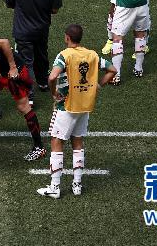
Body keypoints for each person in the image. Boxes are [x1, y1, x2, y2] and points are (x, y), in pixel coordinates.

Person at [37, 24, 117, 198]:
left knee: (56, 142)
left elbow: (52, 77)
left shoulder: (64, 55)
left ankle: (55, 187)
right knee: (77, 142)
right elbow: (112, 69)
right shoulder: (93, 55)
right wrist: (98, 85)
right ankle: (77, 185)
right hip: (85, 106)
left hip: (66, 106)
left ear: (67, 37)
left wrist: (53, 93)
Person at [5, 0, 62, 104]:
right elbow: (55, 9)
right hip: (42, 29)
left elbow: (9, 3)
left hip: (23, 31)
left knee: (25, 61)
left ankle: (29, 94)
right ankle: (43, 82)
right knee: (41, 54)